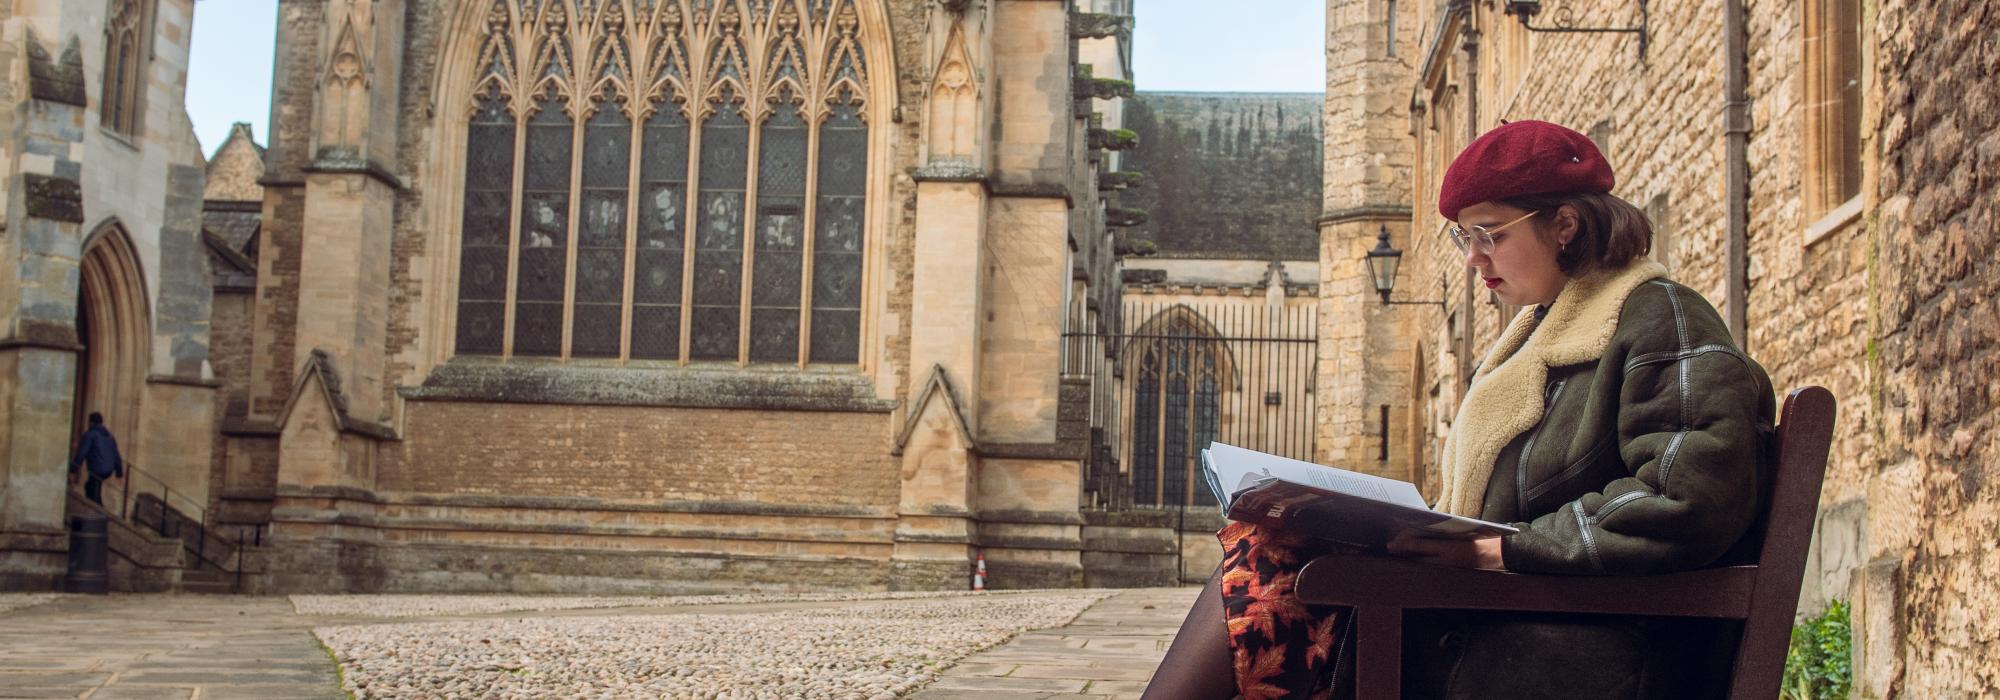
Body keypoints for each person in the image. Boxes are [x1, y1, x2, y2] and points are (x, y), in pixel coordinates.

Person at [1142, 120, 1777, 699]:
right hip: (1511, 612)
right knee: (1271, 545)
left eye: (1489, 234)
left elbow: (1689, 497)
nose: (1473, 258)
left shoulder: (1659, 316)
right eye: (1462, 236)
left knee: (1268, 568)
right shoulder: (1542, 329)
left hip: (1585, 642)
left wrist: (1505, 550)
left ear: (1565, 224)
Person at [70, 412, 125, 506]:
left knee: (92, 490)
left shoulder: (90, 434)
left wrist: (73, 468)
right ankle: (97, 510)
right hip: (108, 469)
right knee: (91, 486)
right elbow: (116, 455)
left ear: (91, 422)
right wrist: (119, 473)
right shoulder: (109, 436)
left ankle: (98, 513)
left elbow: (82, 452)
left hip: (97, 468)